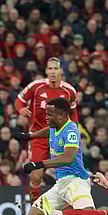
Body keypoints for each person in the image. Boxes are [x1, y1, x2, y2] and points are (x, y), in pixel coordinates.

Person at [15, 98, 94, 215]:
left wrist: (39, 164)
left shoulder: (71, 130)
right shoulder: (55, 126)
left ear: (62, 116)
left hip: (76, 181)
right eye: (46, 113)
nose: (46, 117)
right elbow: (49, 131)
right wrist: (30, 136)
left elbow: (68, 158)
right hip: (60, 184)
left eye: (50, 115)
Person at [15, 57, 78, 202]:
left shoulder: (69, 91)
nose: (53, 72)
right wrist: (21, 109)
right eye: (50, 69)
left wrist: (75, 131)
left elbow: (73, 113)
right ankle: (34, 207)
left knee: (66, 175)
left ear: (61, 70)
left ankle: (67, 210)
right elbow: (19, 100)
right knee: (36, 176)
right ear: (46, 71)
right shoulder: (36, 87)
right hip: (39, 137)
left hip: (60, 138)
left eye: (55, 68)